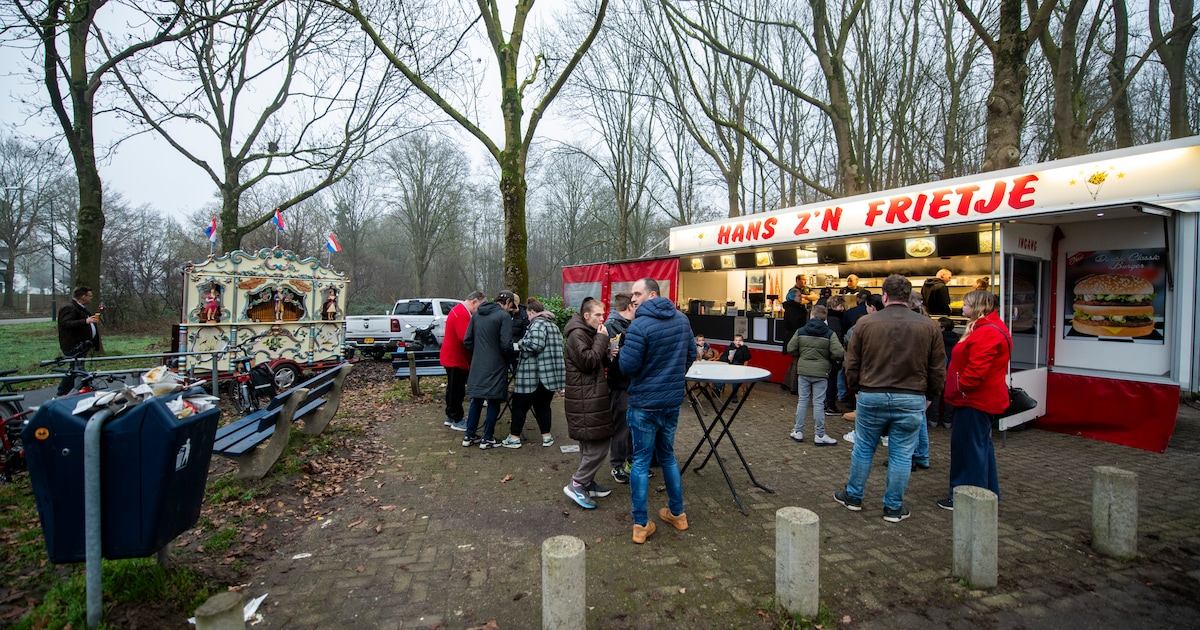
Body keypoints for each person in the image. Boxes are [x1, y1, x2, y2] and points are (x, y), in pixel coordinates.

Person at [835, 275, 945, 523]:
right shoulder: (929, 326)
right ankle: (893, 507)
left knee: (864, 448)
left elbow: (851, 363)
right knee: (902, 453)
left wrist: (856, 390)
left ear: (884, 296)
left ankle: (853, 496)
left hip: (871, 393)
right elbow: (938, 368)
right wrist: (931, 396)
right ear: (908, 297)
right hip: (912, 397)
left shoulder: (865, 323)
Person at [618, 278, 694, 544]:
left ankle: (641, 525)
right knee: (668, 457)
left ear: (652, 295)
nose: (632, 299)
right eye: (632, 294)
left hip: (644, 404)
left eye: (637, 293)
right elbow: (690, 355)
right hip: (671, 403)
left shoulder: (639, 325)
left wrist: (621, 349)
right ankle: (678, 514)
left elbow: (627, 367)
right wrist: (671, 378)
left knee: (640, 461)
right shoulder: (682, 320)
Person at [939, 290, 1010, 511]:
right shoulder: (988, 328)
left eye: (966, 304)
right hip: (978, 399)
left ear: (978, 306)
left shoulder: (986, 332)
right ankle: (985, 491)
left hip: (974, 400)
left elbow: (977, 369)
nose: (962, 307)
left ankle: (966, 495)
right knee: (980, 447)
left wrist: (960, 388)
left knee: (967, 450)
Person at [562, 298, 616, 508]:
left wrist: (608, 352)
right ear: (586, 316)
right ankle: (577, 483)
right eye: (598, 315)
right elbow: (588, 362)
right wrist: (602, 340)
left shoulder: (588, 332)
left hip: (589, 396)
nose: (602, 318)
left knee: (589, 442)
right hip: (585, 399)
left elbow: (596, 360)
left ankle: (587, 483)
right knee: (599, 443)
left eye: (603, 314)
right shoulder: (577, 334)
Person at [503, 298, 565, 449]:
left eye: (527, 314)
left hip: (532, 375)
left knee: (519, 405)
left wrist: (520, 343)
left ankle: (514, 438)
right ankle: (546, 437)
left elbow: (536, 345)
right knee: (543, 406)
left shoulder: (537, 324)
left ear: (531, 312)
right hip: (549, 376)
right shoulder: (553, 326)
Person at [461, 290, 518, 449]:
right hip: (496, 365)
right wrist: (511, 359)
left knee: (476, 400)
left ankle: (469, 435)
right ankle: (487, 438)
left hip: (478, 364)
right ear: (507, 302)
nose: (510, 310)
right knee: (493, 400)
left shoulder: (477, 315)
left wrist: (478, 354)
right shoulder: (503, 317)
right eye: (511, 307)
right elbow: (506, 345)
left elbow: (467, 341)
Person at [786, 305, 844, 445]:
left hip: (804, 371)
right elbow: (839, 353)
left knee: (802, 401)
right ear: (825, 317)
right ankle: (820, 435)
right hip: (821, 372)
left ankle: (798, 431)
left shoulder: (801, 331)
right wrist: (828, 357)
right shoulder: (830, 333)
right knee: (818, 403)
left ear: (811, 315)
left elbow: (790, 348)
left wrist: (802, 354)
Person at [440, 291, 485, 431]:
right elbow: (465, 337)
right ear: (474, 302)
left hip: (452, 356)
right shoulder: (461, 314)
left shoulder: (459, 311)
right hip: (456, 358)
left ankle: (450, 415)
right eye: (480, 306)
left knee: (453, 388)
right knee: (457, 390)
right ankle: (457, 418)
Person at [605, 293, 636, 484]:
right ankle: (617, 465)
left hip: (630, 384)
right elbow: (610, 361)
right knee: (621, 428)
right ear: (630, 307)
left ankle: (631, 463)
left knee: (631, 427)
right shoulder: (612, 326)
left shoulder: (629, 325)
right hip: (619, 385)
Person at [57, 286, 103, 396]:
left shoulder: (81, 308)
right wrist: (86, 321)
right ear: (83, 296)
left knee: (76, 368)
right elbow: (65, 323)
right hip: (74, 345)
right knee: (76, 368)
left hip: (81, 345)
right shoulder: (70, 308)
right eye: (89, 296)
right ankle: (64, 391)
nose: (91, 298)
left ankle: (70, 391)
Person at [928, 317, 960, 429]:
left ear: (942, 328)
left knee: (936, 395)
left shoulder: (937, 339)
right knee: (948, 395)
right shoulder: (957, 340)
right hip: (951, 370)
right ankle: (948, 420)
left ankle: (933, 419)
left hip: (939, 369)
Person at [779, 291, 808, 395]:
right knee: (797, 361)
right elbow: (796, 324)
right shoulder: (795, 309)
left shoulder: (790, 308)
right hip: (795, 337)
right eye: (799, 295)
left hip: (791, 337)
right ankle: (793, 387)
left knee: (794, 361)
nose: (801, 297)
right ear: (793, 297)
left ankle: (786, 383)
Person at [824, 295, 848, 413]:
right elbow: (836, 338)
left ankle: (826, 403)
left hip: (826, 352)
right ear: (834, 306)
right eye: (840, 306)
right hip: (832, 354)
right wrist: (838, 355)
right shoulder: (835, 319)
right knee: (832, 380)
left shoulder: (827, 317)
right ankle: (830, 405)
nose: (842, 308)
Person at [715, 333, 751, 401]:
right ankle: (718, 389)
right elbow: (722, 358)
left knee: (736, 377)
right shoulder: (729, 348)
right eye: (736, 340)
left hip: (739, 367)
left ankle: (734, 393)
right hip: (729, 367)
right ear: (734, 341)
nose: (738, 342)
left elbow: (748, 357)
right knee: (721, 375)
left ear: (742, 341)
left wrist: (743, 347)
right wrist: (728, 358)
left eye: (740, 340)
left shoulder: (744, 349)